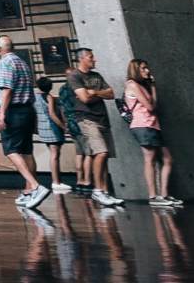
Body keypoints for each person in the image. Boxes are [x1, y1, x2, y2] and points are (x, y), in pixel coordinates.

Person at [0, 35, 49, 209]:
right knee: (26, 151)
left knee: (10, 150)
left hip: (14, 111)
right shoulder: (22, 63)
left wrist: (2, 114)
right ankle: (28, 192)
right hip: (27, 110)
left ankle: (35, 186)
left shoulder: (5, 63)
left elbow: (7, 90)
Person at [67, 48, 126, 208]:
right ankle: (98, 190)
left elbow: (111, 94)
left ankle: (105, 192)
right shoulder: (74, 76)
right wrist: (95, 93)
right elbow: (84, 98)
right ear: (82, 59)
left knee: (105, 157)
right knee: (101, 152)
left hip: (102, 119)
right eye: (91, 57)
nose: (95, 60)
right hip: (86, 119)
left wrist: (95, 92)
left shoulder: (97, 76)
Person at [124, 58, 182, 207]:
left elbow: (154, 105)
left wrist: (153, 86)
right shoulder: (132, 85)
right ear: (136, 70)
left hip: (152, 125)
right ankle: (153, 196)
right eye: (143, 68)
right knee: (150, 159)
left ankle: (164, 195)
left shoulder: (144, 86)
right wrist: (151, 98)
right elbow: (150, 107)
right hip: (143, 125)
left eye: (147, 68)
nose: (147, 71)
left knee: (167, 159)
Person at [33, 74, 71, 192]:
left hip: (42, 128)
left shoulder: (34, 96)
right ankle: (56, 182)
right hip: (51, 128)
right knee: (55, 155)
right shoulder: (48, 97)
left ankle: (56, 181)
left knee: (53, 154)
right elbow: (52, 114)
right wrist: (63, 126)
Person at [56, 75, 91, 195]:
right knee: (88, 152)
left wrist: (65, 123)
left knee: (79, 153)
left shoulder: (62, 89)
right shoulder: (76, 88)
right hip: (80, 120)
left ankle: (79, 180)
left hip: (70, 122)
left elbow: (62, 108)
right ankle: (87, 181)